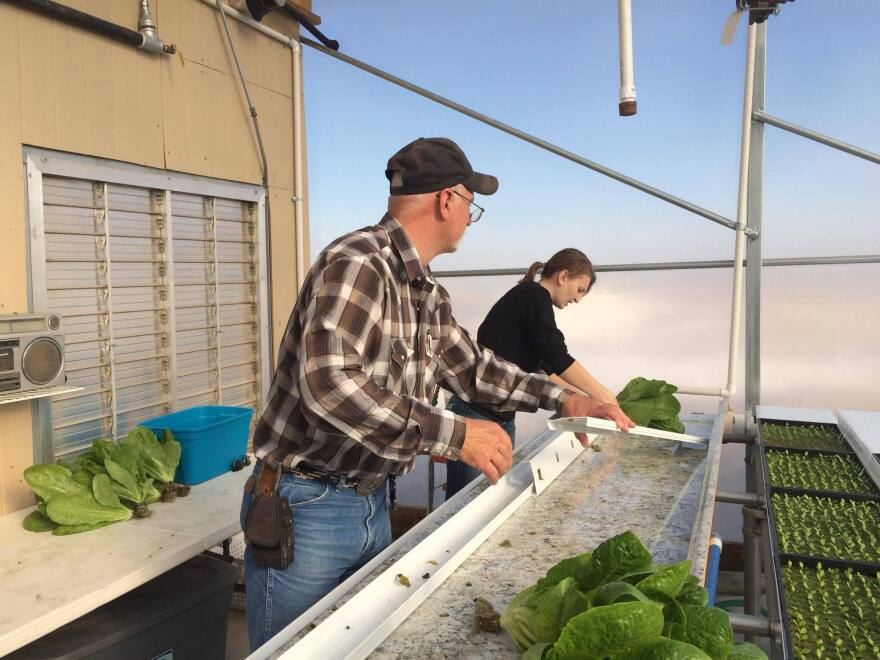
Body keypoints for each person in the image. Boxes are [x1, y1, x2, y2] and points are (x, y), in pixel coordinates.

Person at [240, 137, 635, 650]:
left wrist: (565, 401)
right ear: (448, 199)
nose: (472, 216)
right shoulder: (358, 262)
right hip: (307, 507)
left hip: (370, 500)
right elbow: (329, 385)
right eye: (473, 203)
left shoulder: (425, 291)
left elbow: (472, 370)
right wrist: (454, 435)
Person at [445, 248, 618, 498]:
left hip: (502, 415)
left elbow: (545, 369)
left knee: (489, 498)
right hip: (476, 414)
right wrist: (604, 396)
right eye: (579, 290)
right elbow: (557, 354)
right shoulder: (533, 295)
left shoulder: (532, 301)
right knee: (466, 502)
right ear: (563, 276)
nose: (578, 299)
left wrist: (586, 401)